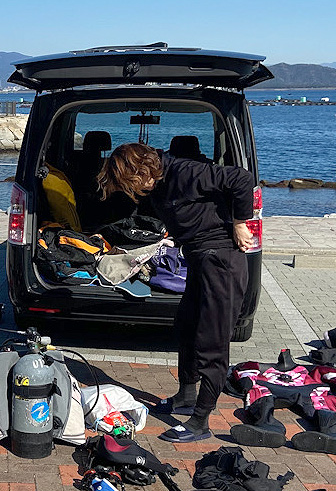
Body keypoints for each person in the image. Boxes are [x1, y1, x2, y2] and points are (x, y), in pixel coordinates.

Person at [96, 142, 254, 443]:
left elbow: (241, 179)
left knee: (212, 341)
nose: (135, 190)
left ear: (143, 169)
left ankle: (200, 420)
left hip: (222, 262)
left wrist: (239, 223)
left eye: (132, 182)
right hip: (198, 259)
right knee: (186, 327)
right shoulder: (156, 186)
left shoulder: (185, 172)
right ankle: (185, 396)